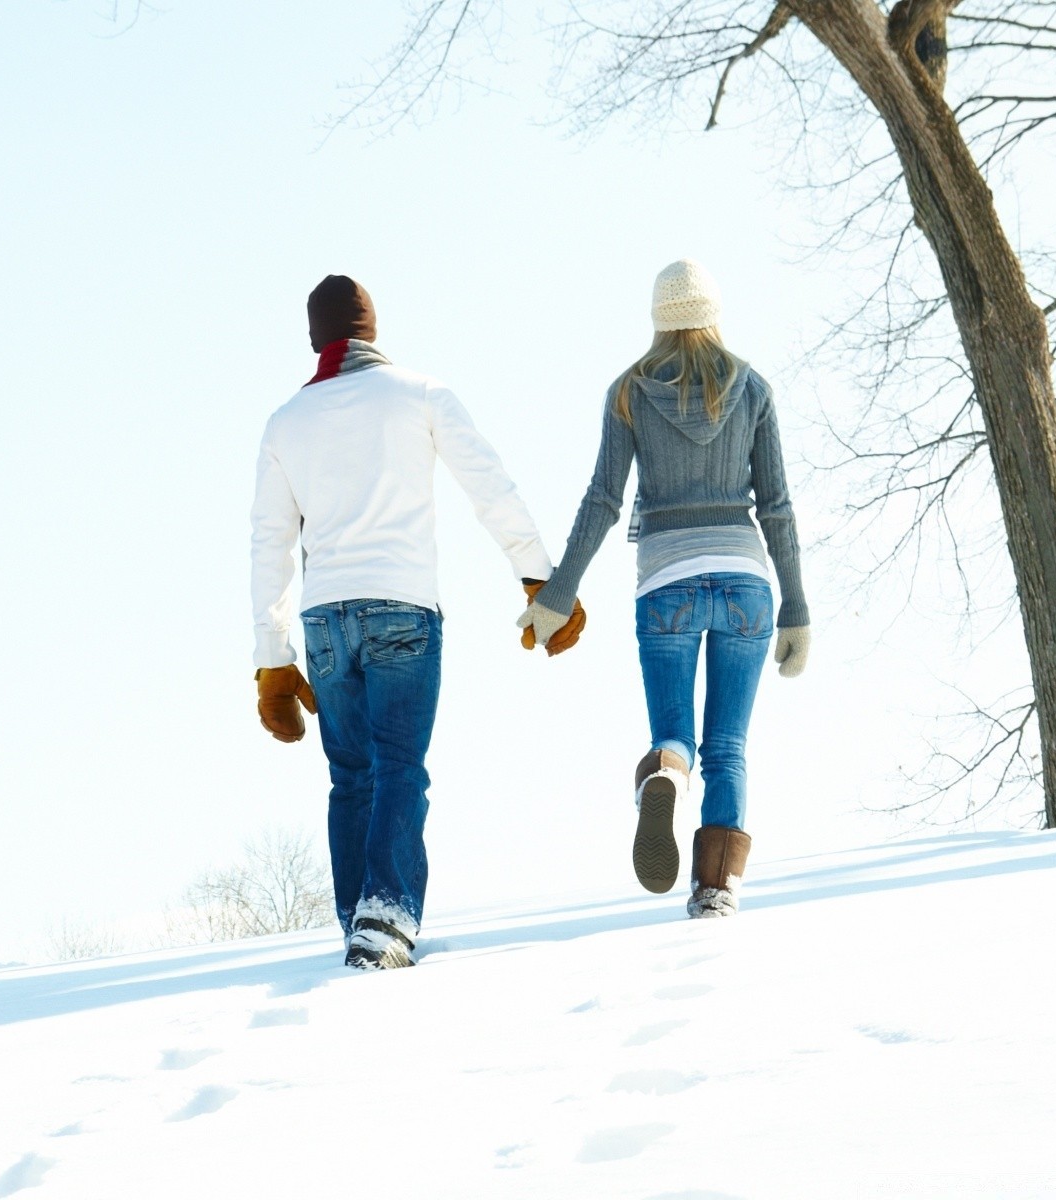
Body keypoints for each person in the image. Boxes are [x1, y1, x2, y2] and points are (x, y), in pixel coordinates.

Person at [250, 274, 585, 970]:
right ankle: (385, 915)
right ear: (372, 329)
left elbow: (269, 544)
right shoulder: (421, 394)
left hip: (324, 620)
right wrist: (538, 576)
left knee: (351, 776)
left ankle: (359, 920)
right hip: (402, 606)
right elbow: (488, 483)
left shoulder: (285, 422)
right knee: (400, 766)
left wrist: (272, 658)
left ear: (316, 338)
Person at [518, 259, 810, 919]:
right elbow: (779, 506)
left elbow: (602, 501)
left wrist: (559, 593)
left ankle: (666, 775)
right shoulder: (753, 388)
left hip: (667, 581)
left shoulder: (628, 392)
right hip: (745, 579)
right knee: (728, 744)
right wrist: (796, 607)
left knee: (676, 733)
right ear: (713, 316)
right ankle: (715, 888)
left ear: (659, 320)